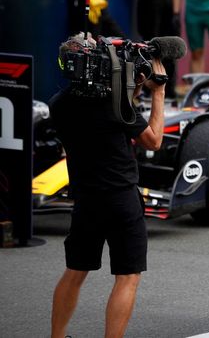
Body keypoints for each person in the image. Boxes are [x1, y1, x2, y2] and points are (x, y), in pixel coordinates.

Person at [49, 34, 166, 338]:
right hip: (121, 199)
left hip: (86, 199)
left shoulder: (58, 104)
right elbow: (153, 139)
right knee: (127, 277)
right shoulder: (113, 103)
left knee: (75, 271)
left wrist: (134, 86)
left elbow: (116, 112)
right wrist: (158, 92)